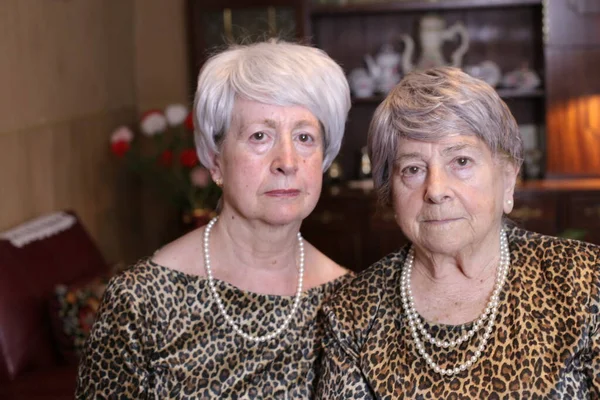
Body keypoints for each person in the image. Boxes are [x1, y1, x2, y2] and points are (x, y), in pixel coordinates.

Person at [76, 39, 352, 399]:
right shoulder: (140, 301)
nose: (287, 160)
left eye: (304, 137)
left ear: (323, 159)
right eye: (259, 136)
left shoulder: (347, 302)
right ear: (215, 160)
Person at [316, 66, 600, 398]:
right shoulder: (352, 313)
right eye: (413, 169)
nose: (436, 189)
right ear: (390, 192)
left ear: (507, 178)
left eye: (461, 162)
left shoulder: (584, 281)